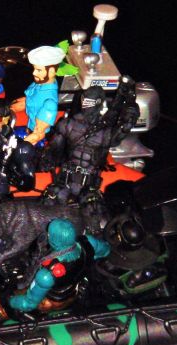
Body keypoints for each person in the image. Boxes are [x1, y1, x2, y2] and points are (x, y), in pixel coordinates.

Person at [42, 76, 140, 233]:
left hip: (77, 184)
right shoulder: (104, 131)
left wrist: (125, 100)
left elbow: (52, 154)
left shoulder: (68, 124)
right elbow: (124, 126)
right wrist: (130, 104)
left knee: (92, 223)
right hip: (77, 183)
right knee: (93, 226)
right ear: (100, 104)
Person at [8, 218, 110, 312]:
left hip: (53, 300)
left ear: (53, 239)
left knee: (17, 295)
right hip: (74, 288)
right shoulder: (89, 242)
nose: (48, 235)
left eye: (49, 234)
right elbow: (106, 251)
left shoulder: (46, 275)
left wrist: (10, 302)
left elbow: (29, 304)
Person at [10, 45, 65, 147]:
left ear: (51, 71)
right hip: (29, 123)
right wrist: (25, 102)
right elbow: (32, 97)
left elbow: (39, 133)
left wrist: (22, 146)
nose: (34, 73)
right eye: (34, 69)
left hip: (37, 139)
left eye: (39, 70)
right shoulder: (39, 84)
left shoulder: (50, 103)